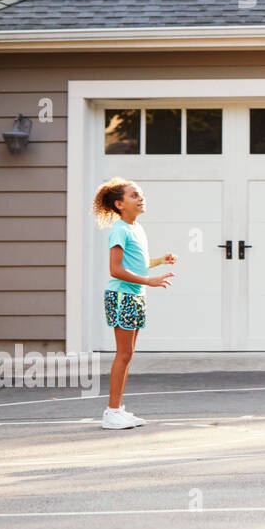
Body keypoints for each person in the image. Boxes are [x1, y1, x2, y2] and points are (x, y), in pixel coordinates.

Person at [92, 178, 176, 430]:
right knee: (124, 354)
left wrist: (160, 260)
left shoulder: (136, 228)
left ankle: (116, 409)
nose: (141, 198)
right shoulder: (119, 230)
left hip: (135, 295)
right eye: (134, 195)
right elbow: (116, 269)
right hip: (122, 297)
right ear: (119, 204)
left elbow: (136, 263)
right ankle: (112, 412)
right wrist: (148, 282)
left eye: (141, 195)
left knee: (128, 354)